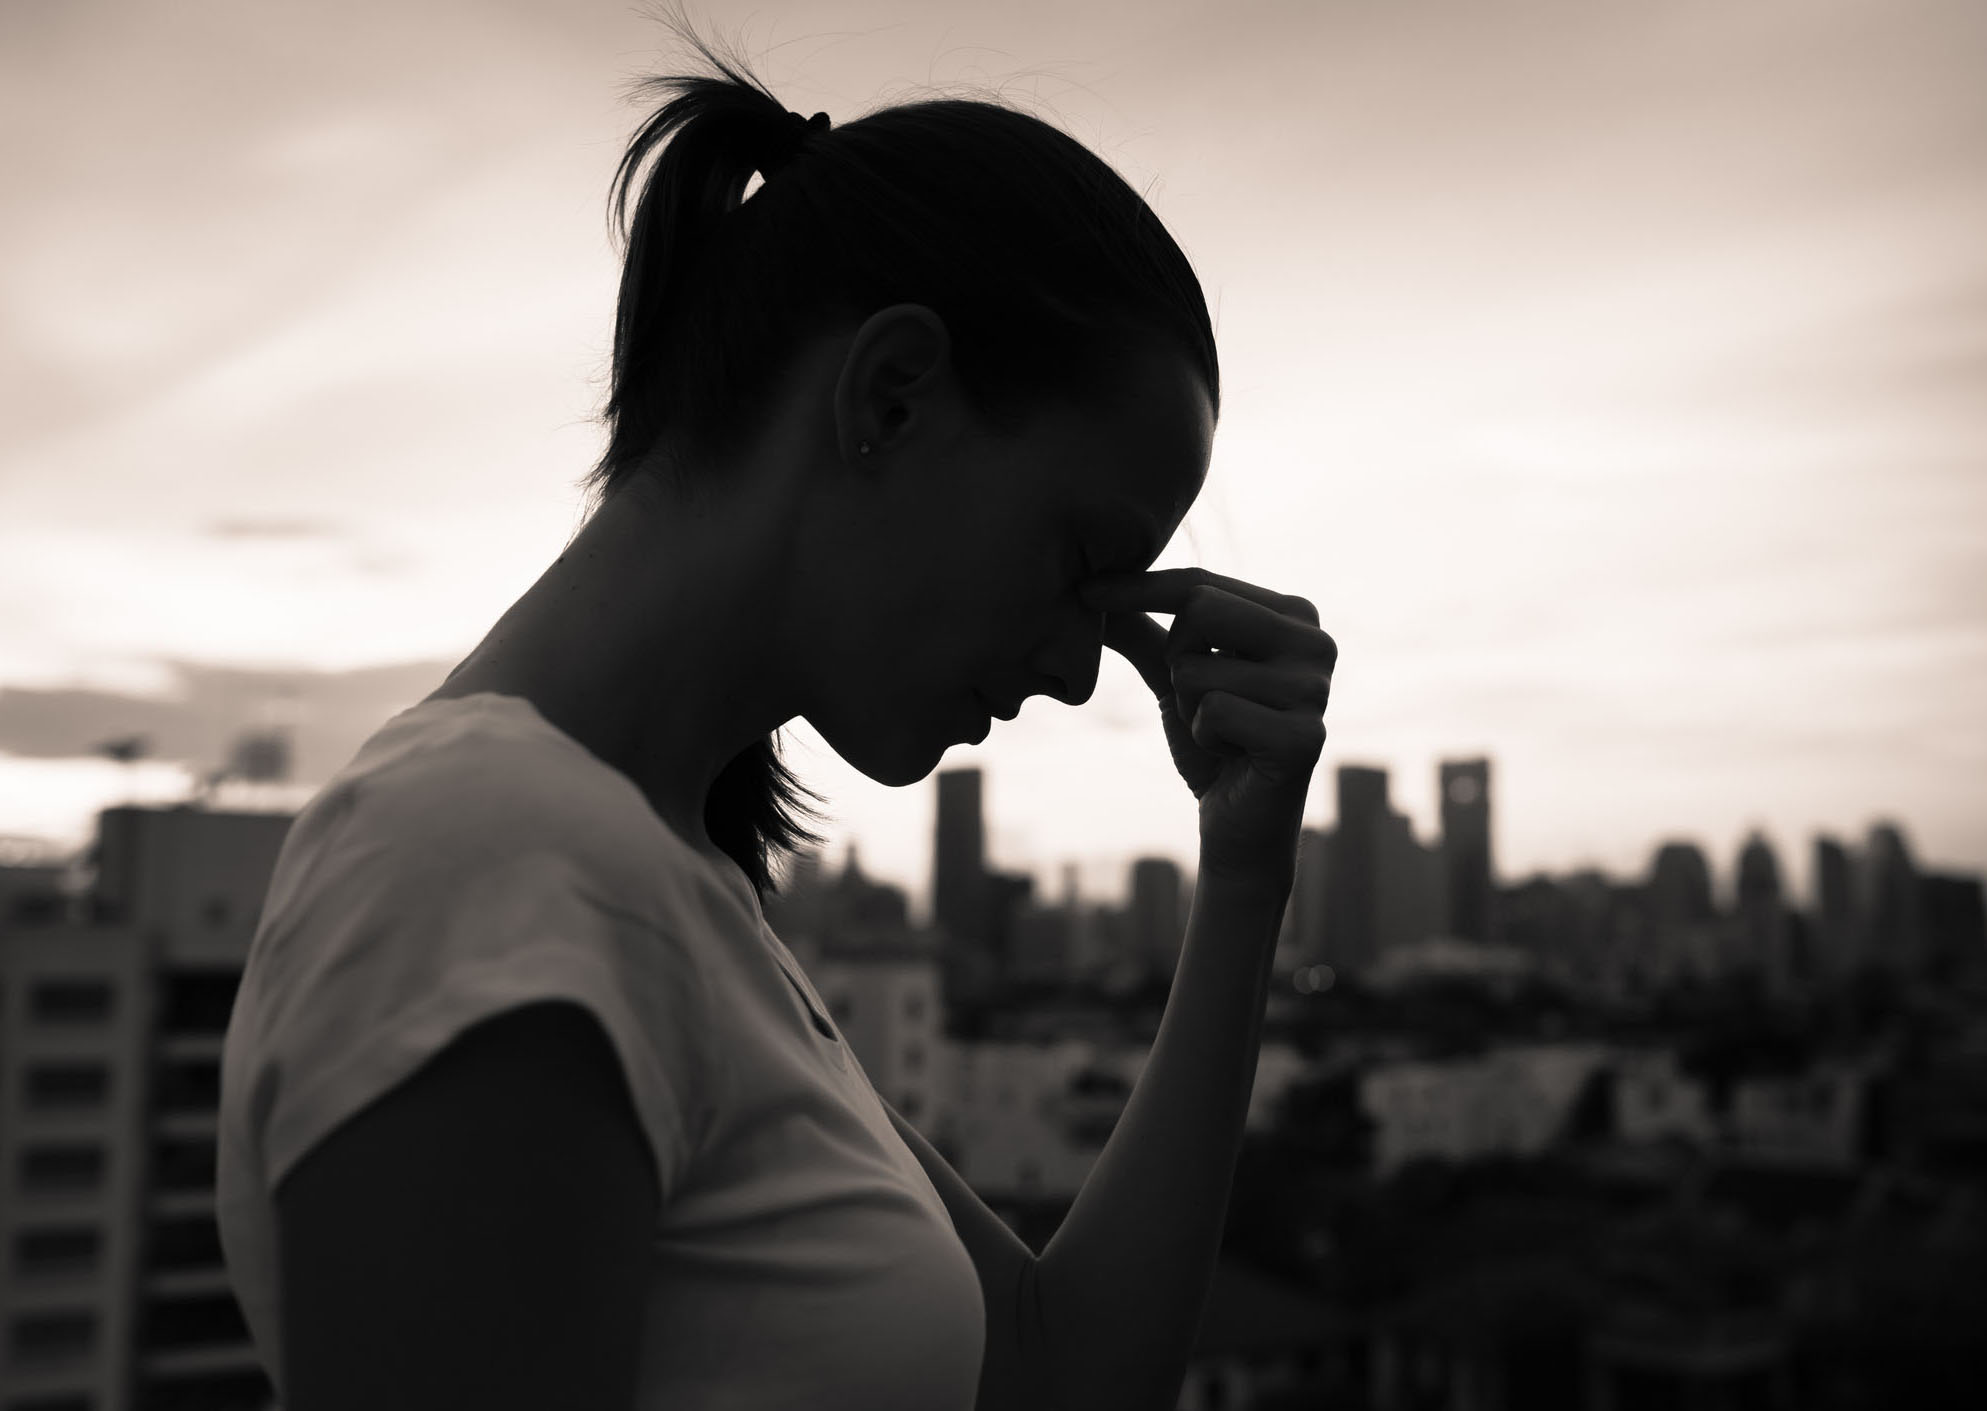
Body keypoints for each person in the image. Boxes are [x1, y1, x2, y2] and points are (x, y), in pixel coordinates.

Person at [215, 27, 1335, 1411]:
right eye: (1076, 565)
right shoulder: (489, 861)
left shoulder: (665, 892)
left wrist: (1243, 882)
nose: (1075, 671)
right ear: (890, 394)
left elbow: (1057, 1376)